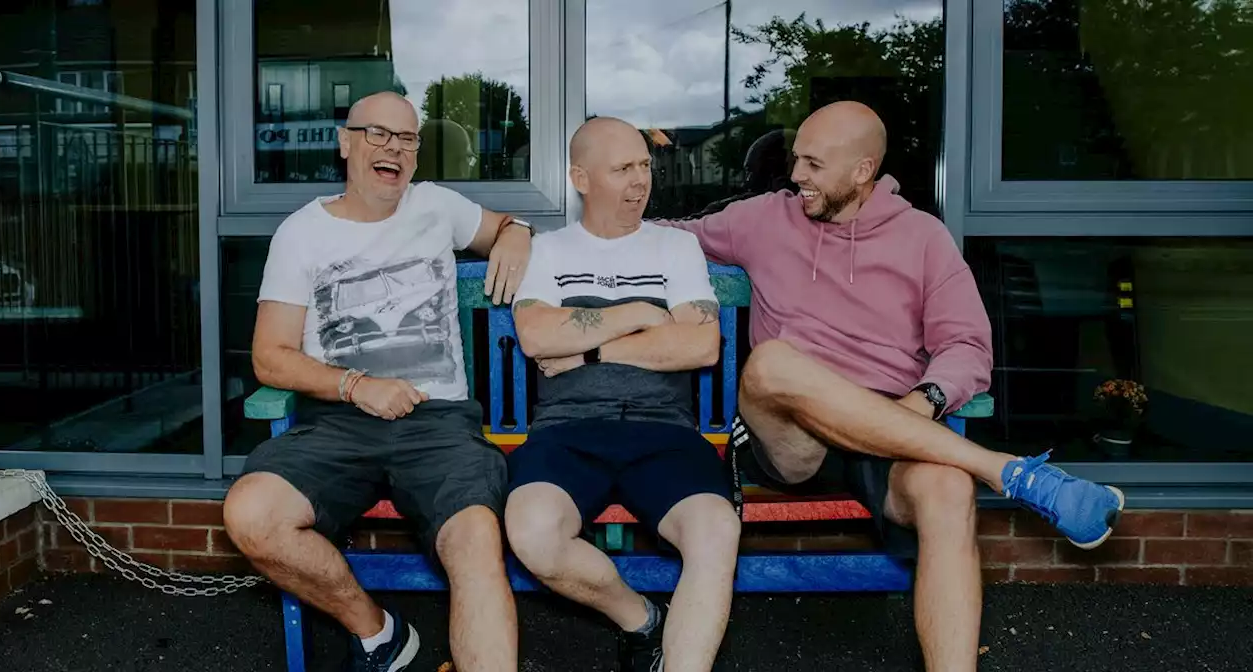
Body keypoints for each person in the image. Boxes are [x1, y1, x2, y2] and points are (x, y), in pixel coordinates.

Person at [657, 101, 1125, 672]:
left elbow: (967, 346)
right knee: (773, 362)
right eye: (795, 160)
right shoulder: (762, 218)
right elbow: (656, 238)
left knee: (949, 493)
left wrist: (924, 399)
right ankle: (1008, 470)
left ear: (862, 171)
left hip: (892, 426)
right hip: (790, 438)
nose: (796, 175)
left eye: (813, 163)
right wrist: (517, 231)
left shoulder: (923, 237)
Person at [222, 91, 530, 672]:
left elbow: (503, 227)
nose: (393, 148)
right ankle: (379, 635)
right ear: (346, 143)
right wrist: (356, 385)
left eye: (407, 138)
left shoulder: (436, 205)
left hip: (437, 425)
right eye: (377, 134)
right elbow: (270, 357)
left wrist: (515, 232)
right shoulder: (301, 233)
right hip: (337, 420)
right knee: (251, 513)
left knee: (475, 540)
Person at [505, 116, 742, 672]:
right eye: (622, 169)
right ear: (581, 178)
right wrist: (641, 313)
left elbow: (702, 345)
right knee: (532, 531)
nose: (640, 182)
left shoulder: (674, 248)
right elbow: (537, 337)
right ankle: (640, 619)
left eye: (643, 166)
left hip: (662, 428)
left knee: (716, 528)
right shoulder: (549, 251)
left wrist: (587, 349)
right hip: (567, 428)